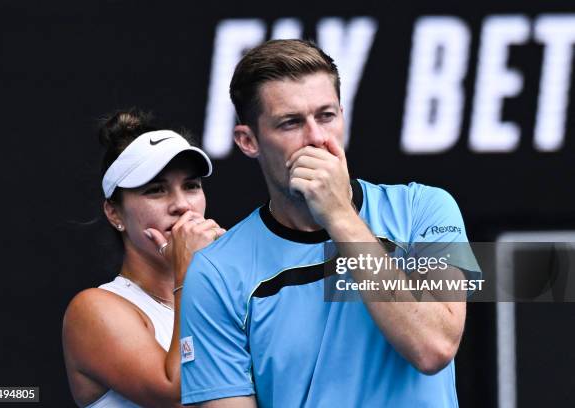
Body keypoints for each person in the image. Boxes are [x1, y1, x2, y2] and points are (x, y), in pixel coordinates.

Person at [179, 39, 481, 407]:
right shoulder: (216, 273)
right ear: (248, 141)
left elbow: (433, 346)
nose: (317, 139)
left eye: (326, 116)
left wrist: (339, 215)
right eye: (290, 123)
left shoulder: (426, 208)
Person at [62, 109, 226, 407]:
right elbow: (176, 390)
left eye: (191, 186)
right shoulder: (93, 310)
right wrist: (191, 273)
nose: (181, 205)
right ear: (114, 213)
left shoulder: (225, 297)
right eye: (156, 190)